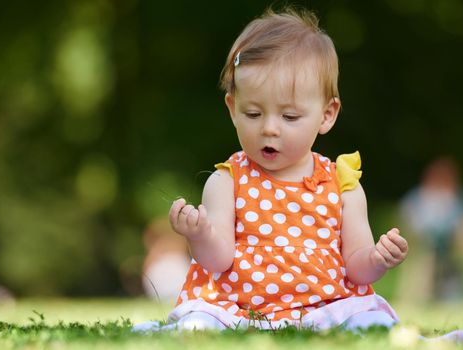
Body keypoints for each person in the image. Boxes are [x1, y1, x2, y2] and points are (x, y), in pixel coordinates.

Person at [133, 8, 409, 332]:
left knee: (372, 322)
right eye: (253, 114)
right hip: (238, 309)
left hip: (326, 308)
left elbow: (356, 266)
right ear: (233, 109)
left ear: (327, 114)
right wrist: (200, 234)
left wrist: (377, 259)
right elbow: (218, 260)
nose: (270, 129)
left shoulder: (341, 185)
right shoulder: (227, 181)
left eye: (289, 117)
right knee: (199, 325)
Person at [397, 157, 463, 303]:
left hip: (453, 251)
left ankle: (452, 296)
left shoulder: (461, 199)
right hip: (424, 249)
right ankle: (417, 299)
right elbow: (408, 223)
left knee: (453, 290)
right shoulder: (417, 198)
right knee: (423, 269)